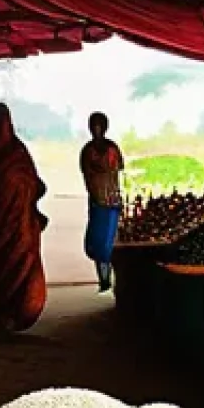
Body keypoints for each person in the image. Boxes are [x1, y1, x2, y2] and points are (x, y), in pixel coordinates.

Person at [0, 103, 48, 337]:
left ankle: (4, 316)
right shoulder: (17, 153)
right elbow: (36, 185)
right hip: (15, 230)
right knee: (14, 271)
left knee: (3, 270)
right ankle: (8, 317)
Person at [79, 112, 124, 292]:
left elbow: (118, 168)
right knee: (100, 242)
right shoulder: (91, 150)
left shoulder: (102, 149)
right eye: (94, 126)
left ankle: (110, 279)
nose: (96, 129)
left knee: (111, 242)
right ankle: (104, 279)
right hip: (100, 202)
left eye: (99, 125)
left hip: (110, 202)